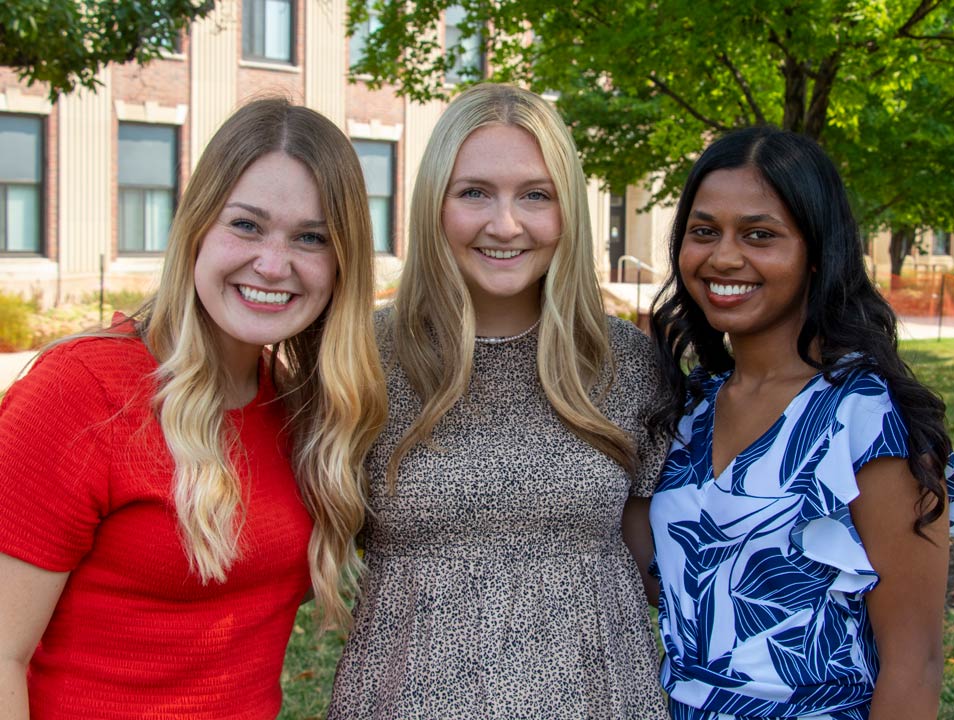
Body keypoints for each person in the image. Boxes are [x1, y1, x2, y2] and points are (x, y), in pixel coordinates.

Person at [0, 97, 386, 719]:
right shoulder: (80, 393)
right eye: (246, 225)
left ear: (341, 264)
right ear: (198, 225)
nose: (272, 263)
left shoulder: (297, 410)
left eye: (311, 237)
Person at [326, 83, 669, 719]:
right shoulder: (364, 356)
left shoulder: (625, 361)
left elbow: (663, 564)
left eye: (535, 195)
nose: (505, 224)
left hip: (600, 700)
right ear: (435, 203)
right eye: (474, 192)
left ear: (568, 211)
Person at [648, 125, 954, 720]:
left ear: (817, 253)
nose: (724, 256)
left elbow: (915, 663)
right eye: (704, 231)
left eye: (760, 235)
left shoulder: (869, 418)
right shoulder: (689, 411)